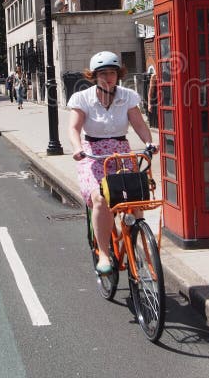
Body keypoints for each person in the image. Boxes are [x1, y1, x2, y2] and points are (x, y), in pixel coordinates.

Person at [68, 51, 158, 274]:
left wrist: (149, 143)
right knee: (100, 199)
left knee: (135, 197)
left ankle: (135, 237)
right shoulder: (82, 98)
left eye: (112, 73)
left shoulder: (127, 96)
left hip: (121, 152)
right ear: (94, 76)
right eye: (103, 73)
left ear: (118, 74)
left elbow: (138, 124)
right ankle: (104, 254)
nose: (108, 78)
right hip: (93, 154)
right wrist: (77, 148)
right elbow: (74, 128)